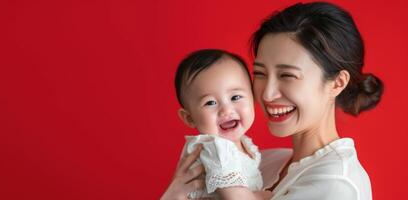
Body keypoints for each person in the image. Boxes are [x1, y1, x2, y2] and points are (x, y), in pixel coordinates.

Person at [161, 2, 383, 200]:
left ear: (337, 83)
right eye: (260, 73)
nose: (267, 94)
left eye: (287, 75)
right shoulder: (262, 161)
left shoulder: (336, 184)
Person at [168, 49, 269, 199]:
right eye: (210, 102)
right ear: (189, 118)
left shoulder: (244, 144)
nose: (226, 110)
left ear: (253, 98)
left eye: (235, 97)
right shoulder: (215, 148)